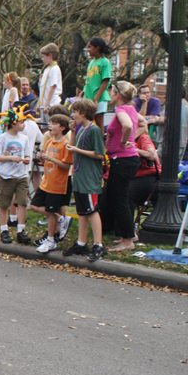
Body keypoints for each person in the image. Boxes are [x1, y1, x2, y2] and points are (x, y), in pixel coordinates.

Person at [97, 81, 139, 253]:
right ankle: (129, 235)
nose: (109, 94)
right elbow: (141, 124)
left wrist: (124, 141)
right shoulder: (131, 109)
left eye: (111, 91)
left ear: (118, 95)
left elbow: (128, 126)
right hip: (126, 159)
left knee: (118, 199)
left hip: (123, 160)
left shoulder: (121, 110)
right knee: (119, 197)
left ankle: (128, 240)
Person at [63, 99, 106, 261]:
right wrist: (73, 132)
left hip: (89, 177)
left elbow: (99, 154)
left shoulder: (94, 130)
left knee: (92, 210)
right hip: (79, 176)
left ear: (83, 113)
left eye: (74, 112)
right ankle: (81, 243)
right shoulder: (81, 129)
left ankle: (98, 244)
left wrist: (78, 150)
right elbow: (73, 150)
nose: (72, 115)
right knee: (82, 211)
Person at [30, 115, 73, 253]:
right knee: (33, 206)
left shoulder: (65, 144)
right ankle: (61, 219)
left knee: (49, 212)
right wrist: (41, 157)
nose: (50, 126)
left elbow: (66, 166)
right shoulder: (49, 142)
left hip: (57, 184)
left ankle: (51, 240)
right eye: (50, 123)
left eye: (54, 124)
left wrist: (51, 158)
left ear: (62, 127)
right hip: (46, 182)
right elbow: (46, 160)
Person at [0, 105, 34, 244]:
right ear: (14, 123)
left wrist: (27, 160)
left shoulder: (24, 139)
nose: (24, 125)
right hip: (6, 176)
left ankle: (21, 230)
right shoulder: (2, 138)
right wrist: (10, 158)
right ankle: (4, 230)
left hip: (22, 175)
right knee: (4, 204)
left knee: (22, 203)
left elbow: (27, 155)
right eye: (22, 122)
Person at [128, 114, 161, 239]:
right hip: (134, 176)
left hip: (149, 176)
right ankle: (112, 227)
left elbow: (152, 155)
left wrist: (136, 151)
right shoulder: (130, 139)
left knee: (128, 194)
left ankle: (129, 231)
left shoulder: (143, 138)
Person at [82, 37, 112, 131]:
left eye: (90, 47)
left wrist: (96, 98)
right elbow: (89, 80)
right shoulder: (91, 62)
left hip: (99, 98)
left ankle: (100, 145)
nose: (88, 49)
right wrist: (83, 92)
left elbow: (105, 82)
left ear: (97, 48)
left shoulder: (105, 62)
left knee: (99, 122)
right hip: (88, 97)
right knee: (88, 121)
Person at [38, 43, 63, 122]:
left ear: (50, 55)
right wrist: (39, 103)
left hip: (51, 104)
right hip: (44, 104)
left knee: (51, 125)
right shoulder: (47, 69)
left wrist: (46, 104)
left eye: (43, 56)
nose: (42, 59)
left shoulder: (55, 69)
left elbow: (52, 87)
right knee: (44, 127)